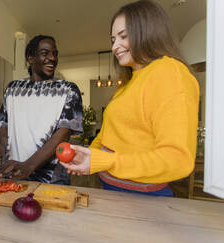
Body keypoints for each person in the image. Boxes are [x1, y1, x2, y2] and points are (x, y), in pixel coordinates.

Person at [61, 0, 199, 196]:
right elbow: (106, 134)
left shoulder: (169, 72)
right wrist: (87, 156)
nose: (115, 46)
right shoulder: (127, 84)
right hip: (112, 189)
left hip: (143, 197)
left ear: (149, 31)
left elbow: (177, 160)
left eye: (123, 36)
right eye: (113, 40)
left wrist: (106, 161)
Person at [0, 35, 83, 185]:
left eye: (54, 54)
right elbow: (4, 124)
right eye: (44, 53)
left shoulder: (68, 90)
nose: (52, 58)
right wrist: (2, 147)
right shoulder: (12, 89)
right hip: (14, 174)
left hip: (52, 178)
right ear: (30, 58)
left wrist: (28, 165)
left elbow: (62, 134)